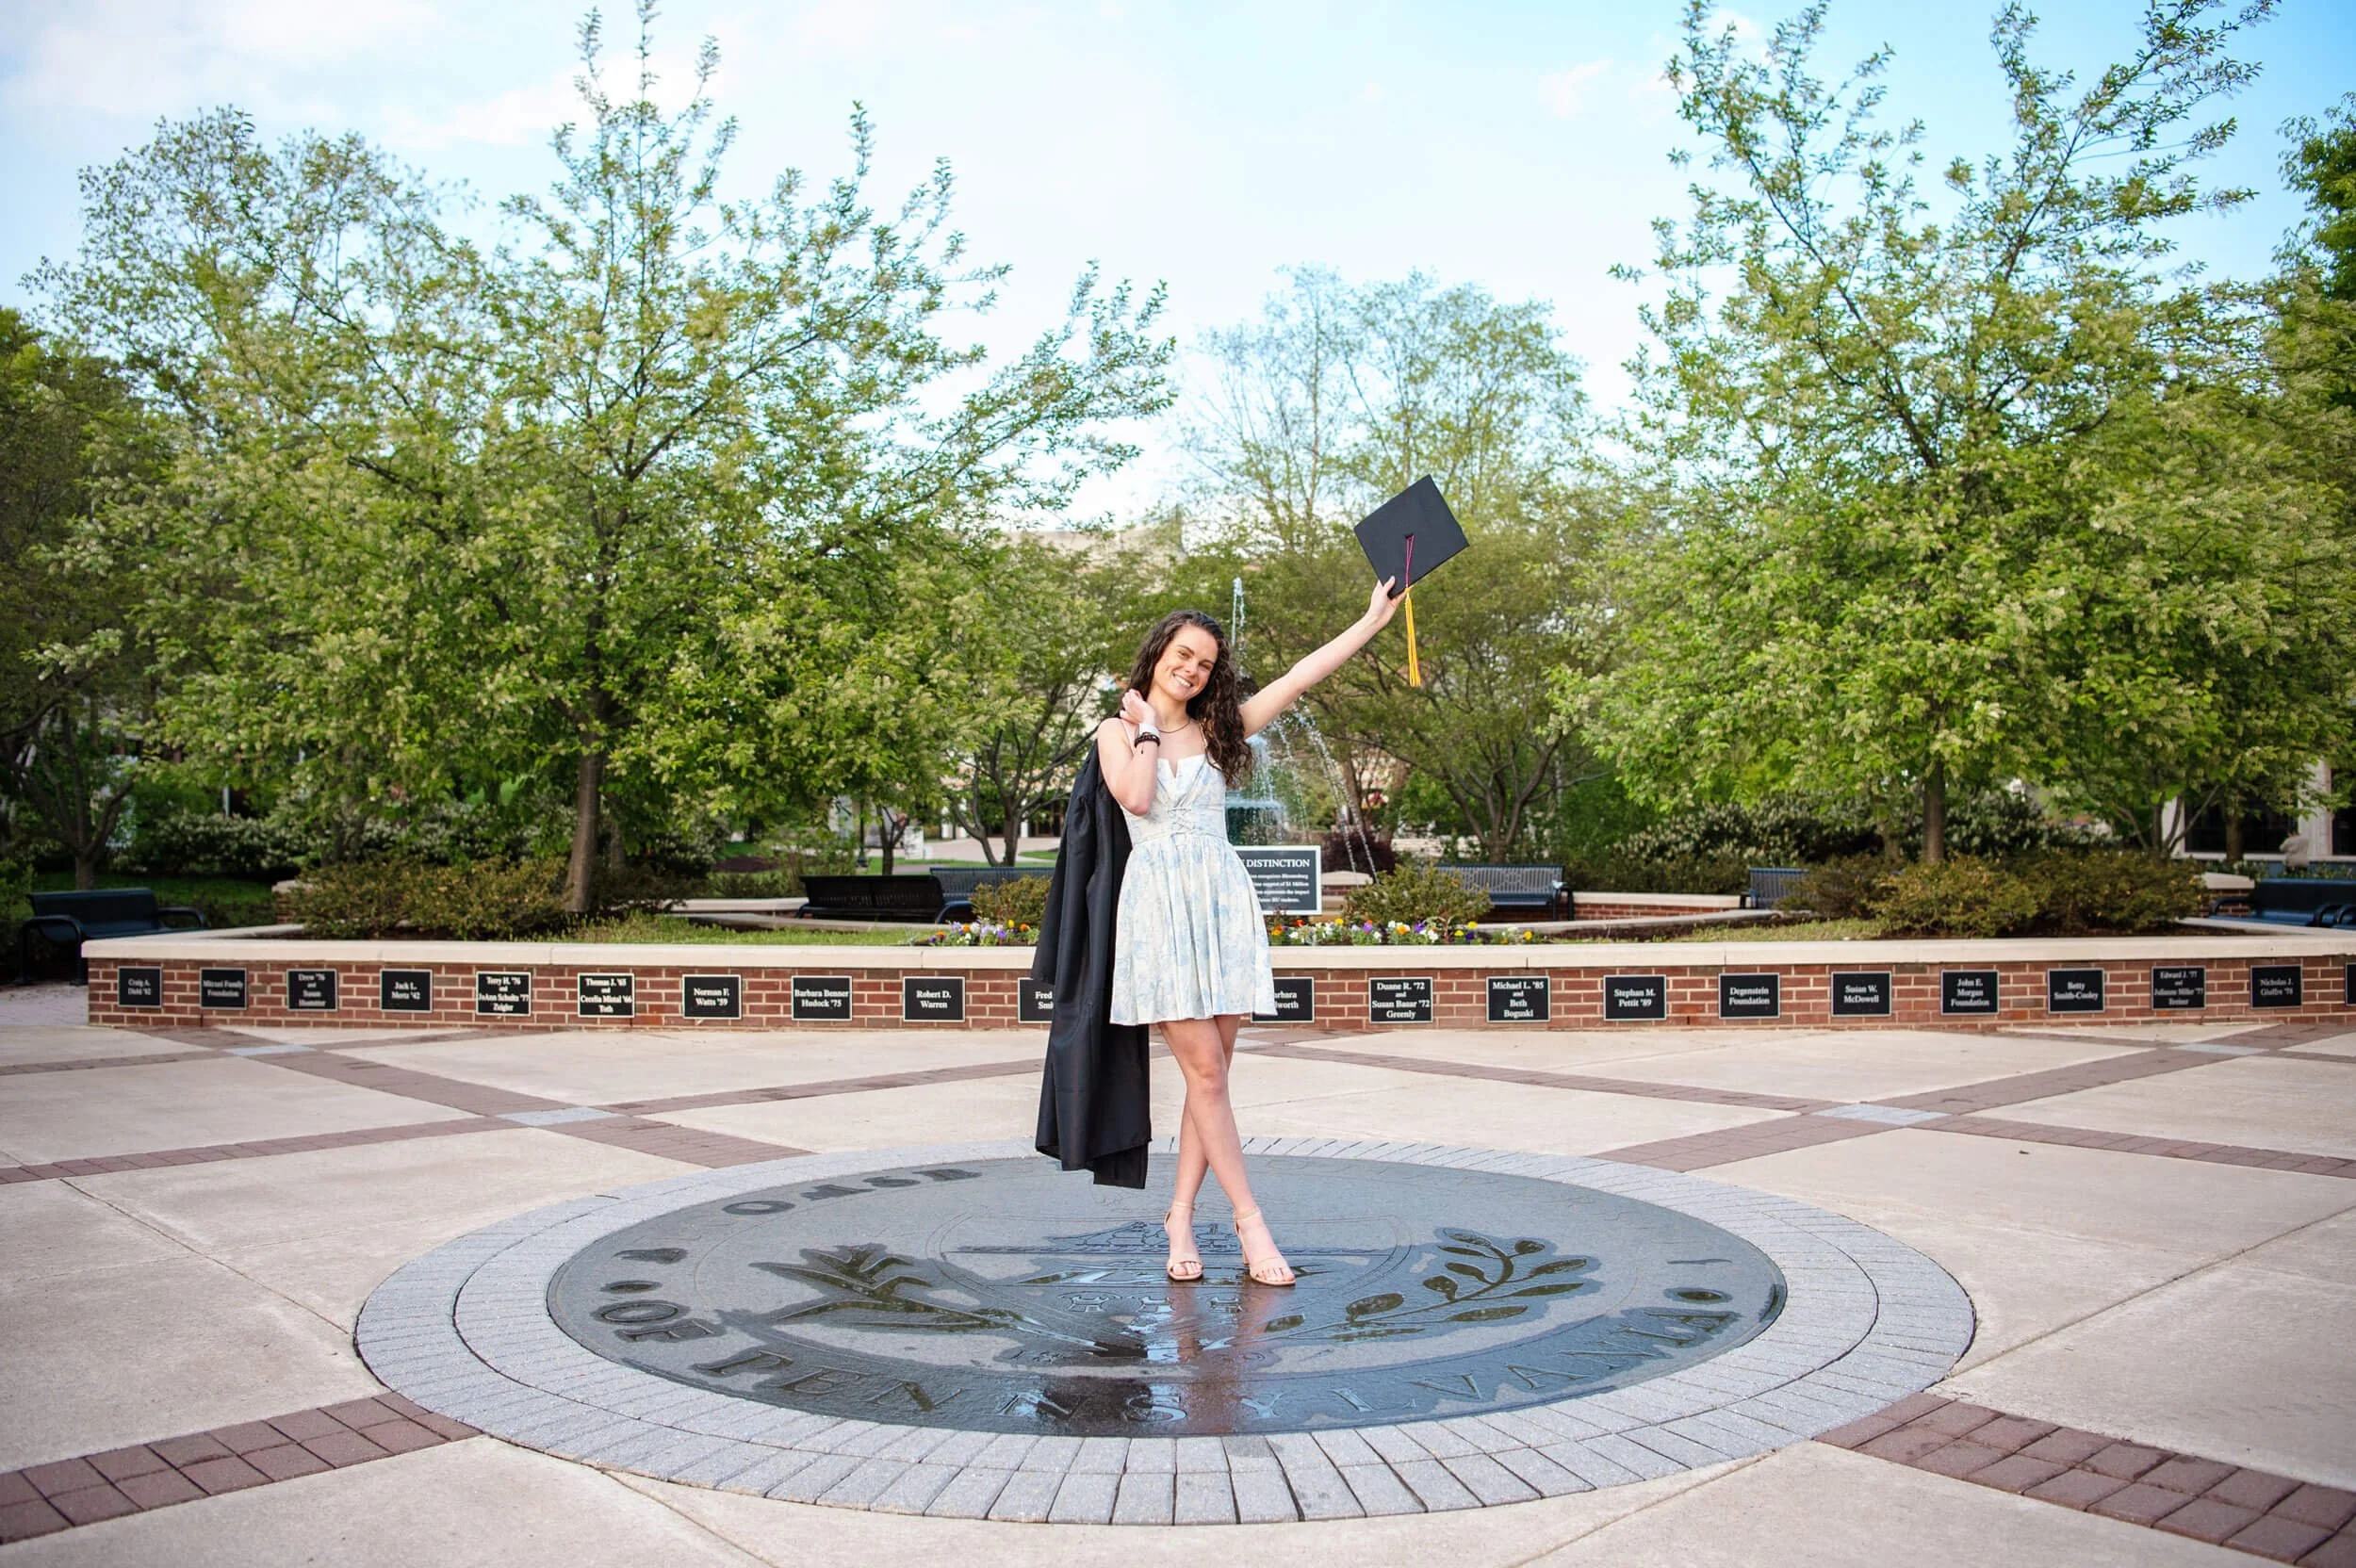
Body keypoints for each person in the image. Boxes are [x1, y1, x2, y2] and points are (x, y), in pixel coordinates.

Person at [1098, 579, 1401, 1286]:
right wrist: (1145, 725)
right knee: (1205, 1073)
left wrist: (1371, 618)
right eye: (1183, 654)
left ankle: (1178, 1215)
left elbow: (1302, 675)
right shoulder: (1118, 731)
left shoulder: (1220, 729)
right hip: (1160, 909)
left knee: (1213, 1080)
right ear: (1158, 655)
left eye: (1205, 663)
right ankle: (1249, 1223)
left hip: (1223, 904)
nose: (1192, 669)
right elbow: (1137, 798)